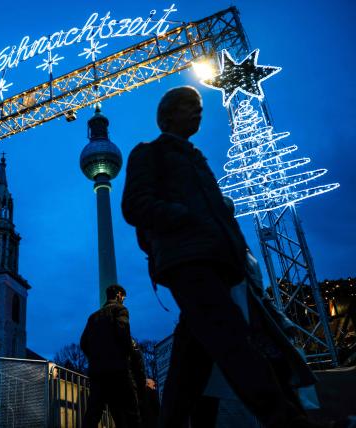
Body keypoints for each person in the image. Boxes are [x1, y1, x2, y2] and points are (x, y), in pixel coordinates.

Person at [121, 86, 339, 428]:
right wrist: (185, 216)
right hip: (188, 261)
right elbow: (134, 205)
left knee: (189, 366)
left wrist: (234, 250)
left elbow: (219, 218)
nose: (198, 113)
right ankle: (289, 422)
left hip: (219, 264)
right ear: (167, 115)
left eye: (200, 109)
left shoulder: (197, 160)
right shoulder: (149, 154)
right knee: (234, 341)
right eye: (189, 107)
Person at [80, 284, 141, 428]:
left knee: (93, 413)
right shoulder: (120, 310)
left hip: (97, 373)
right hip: (118, 370)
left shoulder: (93, 317)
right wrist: (128, 354)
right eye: (123, 298)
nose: (124, 300)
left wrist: (95, 357)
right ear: (119, 295)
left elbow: (83, 343)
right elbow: (123, 334)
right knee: (131, 412)